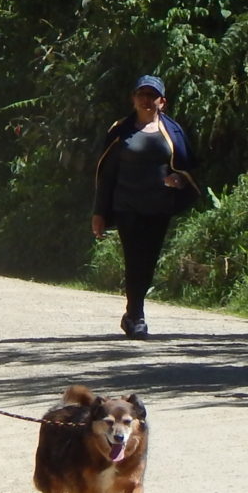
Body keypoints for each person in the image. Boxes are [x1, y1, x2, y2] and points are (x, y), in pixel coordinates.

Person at [92, 76, 199, 338]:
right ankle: (136, 314)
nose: (147, 100)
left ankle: (132, 312)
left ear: (162, 101)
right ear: (133, 98)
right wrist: (99, 212)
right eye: (142, 94)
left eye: (153, 96)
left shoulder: (172, 132)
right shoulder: (120, 130)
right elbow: (105, 174)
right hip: (126, 205)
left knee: (148, 261)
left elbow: (189, 168)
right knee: (134, 257)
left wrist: (179, 179)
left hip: (158, 207)